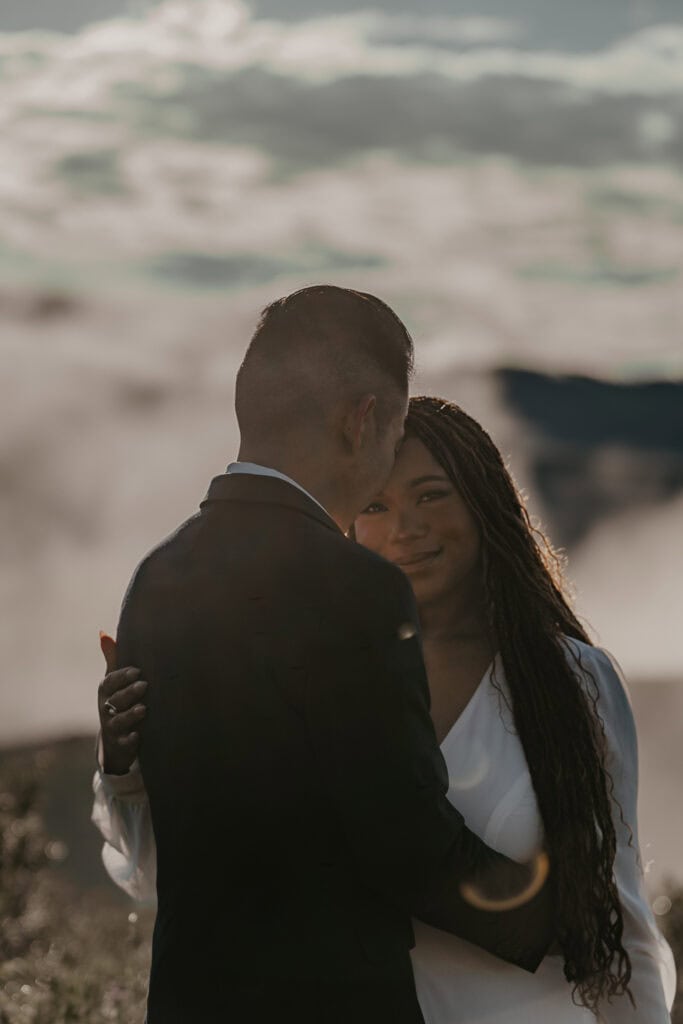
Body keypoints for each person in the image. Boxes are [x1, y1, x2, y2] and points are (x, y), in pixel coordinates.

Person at [95, 391, 675, 1022]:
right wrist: (130, 766)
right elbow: (187, 885)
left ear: (483, 503)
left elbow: (620, 916)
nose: (406, 527)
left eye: (431, 494)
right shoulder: (310, 681)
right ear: (346, 527)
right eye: (376, 505)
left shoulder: (573, 680)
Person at [93, 286, 555, 1024]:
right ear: (362, 420)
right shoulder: (358, 590)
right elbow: (403, 843)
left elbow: (176, 834)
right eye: (395, 425)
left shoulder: (154, 578)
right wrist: (560, 921)